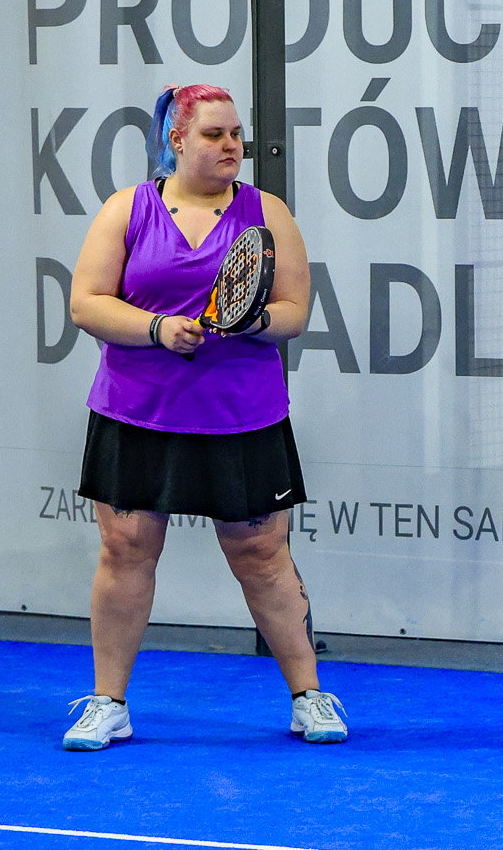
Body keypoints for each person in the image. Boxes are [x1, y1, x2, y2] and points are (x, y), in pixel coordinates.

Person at [62, 84, 345, 751]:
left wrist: (250, 319)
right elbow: (87, 303)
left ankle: (310, 696)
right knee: (125, 550)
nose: (231, 146)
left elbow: (296, 312)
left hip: (242, 417)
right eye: (215, 134)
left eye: (237, 134)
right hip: (136, 414)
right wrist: (159, 329)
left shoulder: (265, 211)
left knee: (262, 556)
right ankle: (109, 704)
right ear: (178, 140)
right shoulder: (125, 210)